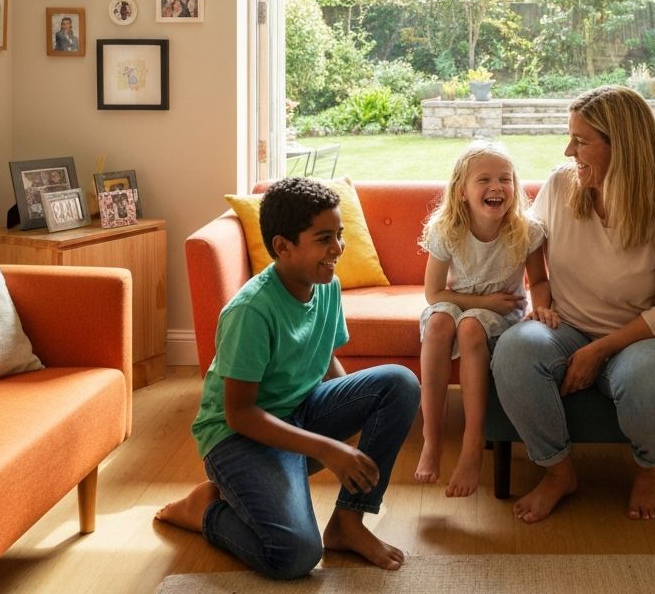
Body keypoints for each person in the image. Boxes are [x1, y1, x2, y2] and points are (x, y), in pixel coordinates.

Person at [155, 178, 421, 578]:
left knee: (399, 383)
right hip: (238, 438)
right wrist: (330, 450)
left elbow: (324, 355)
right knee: (295, 555)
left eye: (340, 235)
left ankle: (348, 524)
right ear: (283, 247)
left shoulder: (325, 283)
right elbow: (240, 414)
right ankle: (205, 510)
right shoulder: (251, 311)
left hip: (299, 412)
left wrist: (351, 416)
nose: (338, 248)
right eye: (324, 238)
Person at [491, 85, 655, 524]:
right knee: (513, 350)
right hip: (567, 325)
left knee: (650, 379)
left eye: (581, 141)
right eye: (571, 138)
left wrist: (598, 350)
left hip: (645, 335)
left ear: (620, 144)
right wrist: (541, 297)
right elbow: (532, 242)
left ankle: (649, 470)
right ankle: (557, 472)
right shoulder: (561, 184)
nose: (569, 150)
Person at [414, 141, 549, 497]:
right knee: (442, 321)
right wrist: (482, 299)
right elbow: (434, 295)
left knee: (472, 325)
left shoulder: (526, 230)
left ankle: (473, 445)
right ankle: (432, 437)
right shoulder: (446, 230)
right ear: (462, 192)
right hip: (459, 304)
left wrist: (543, 306)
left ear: (515, 187)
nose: (496, 187)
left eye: (505, 179)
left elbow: (537, 280)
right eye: (484, 179)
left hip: (501, 314)